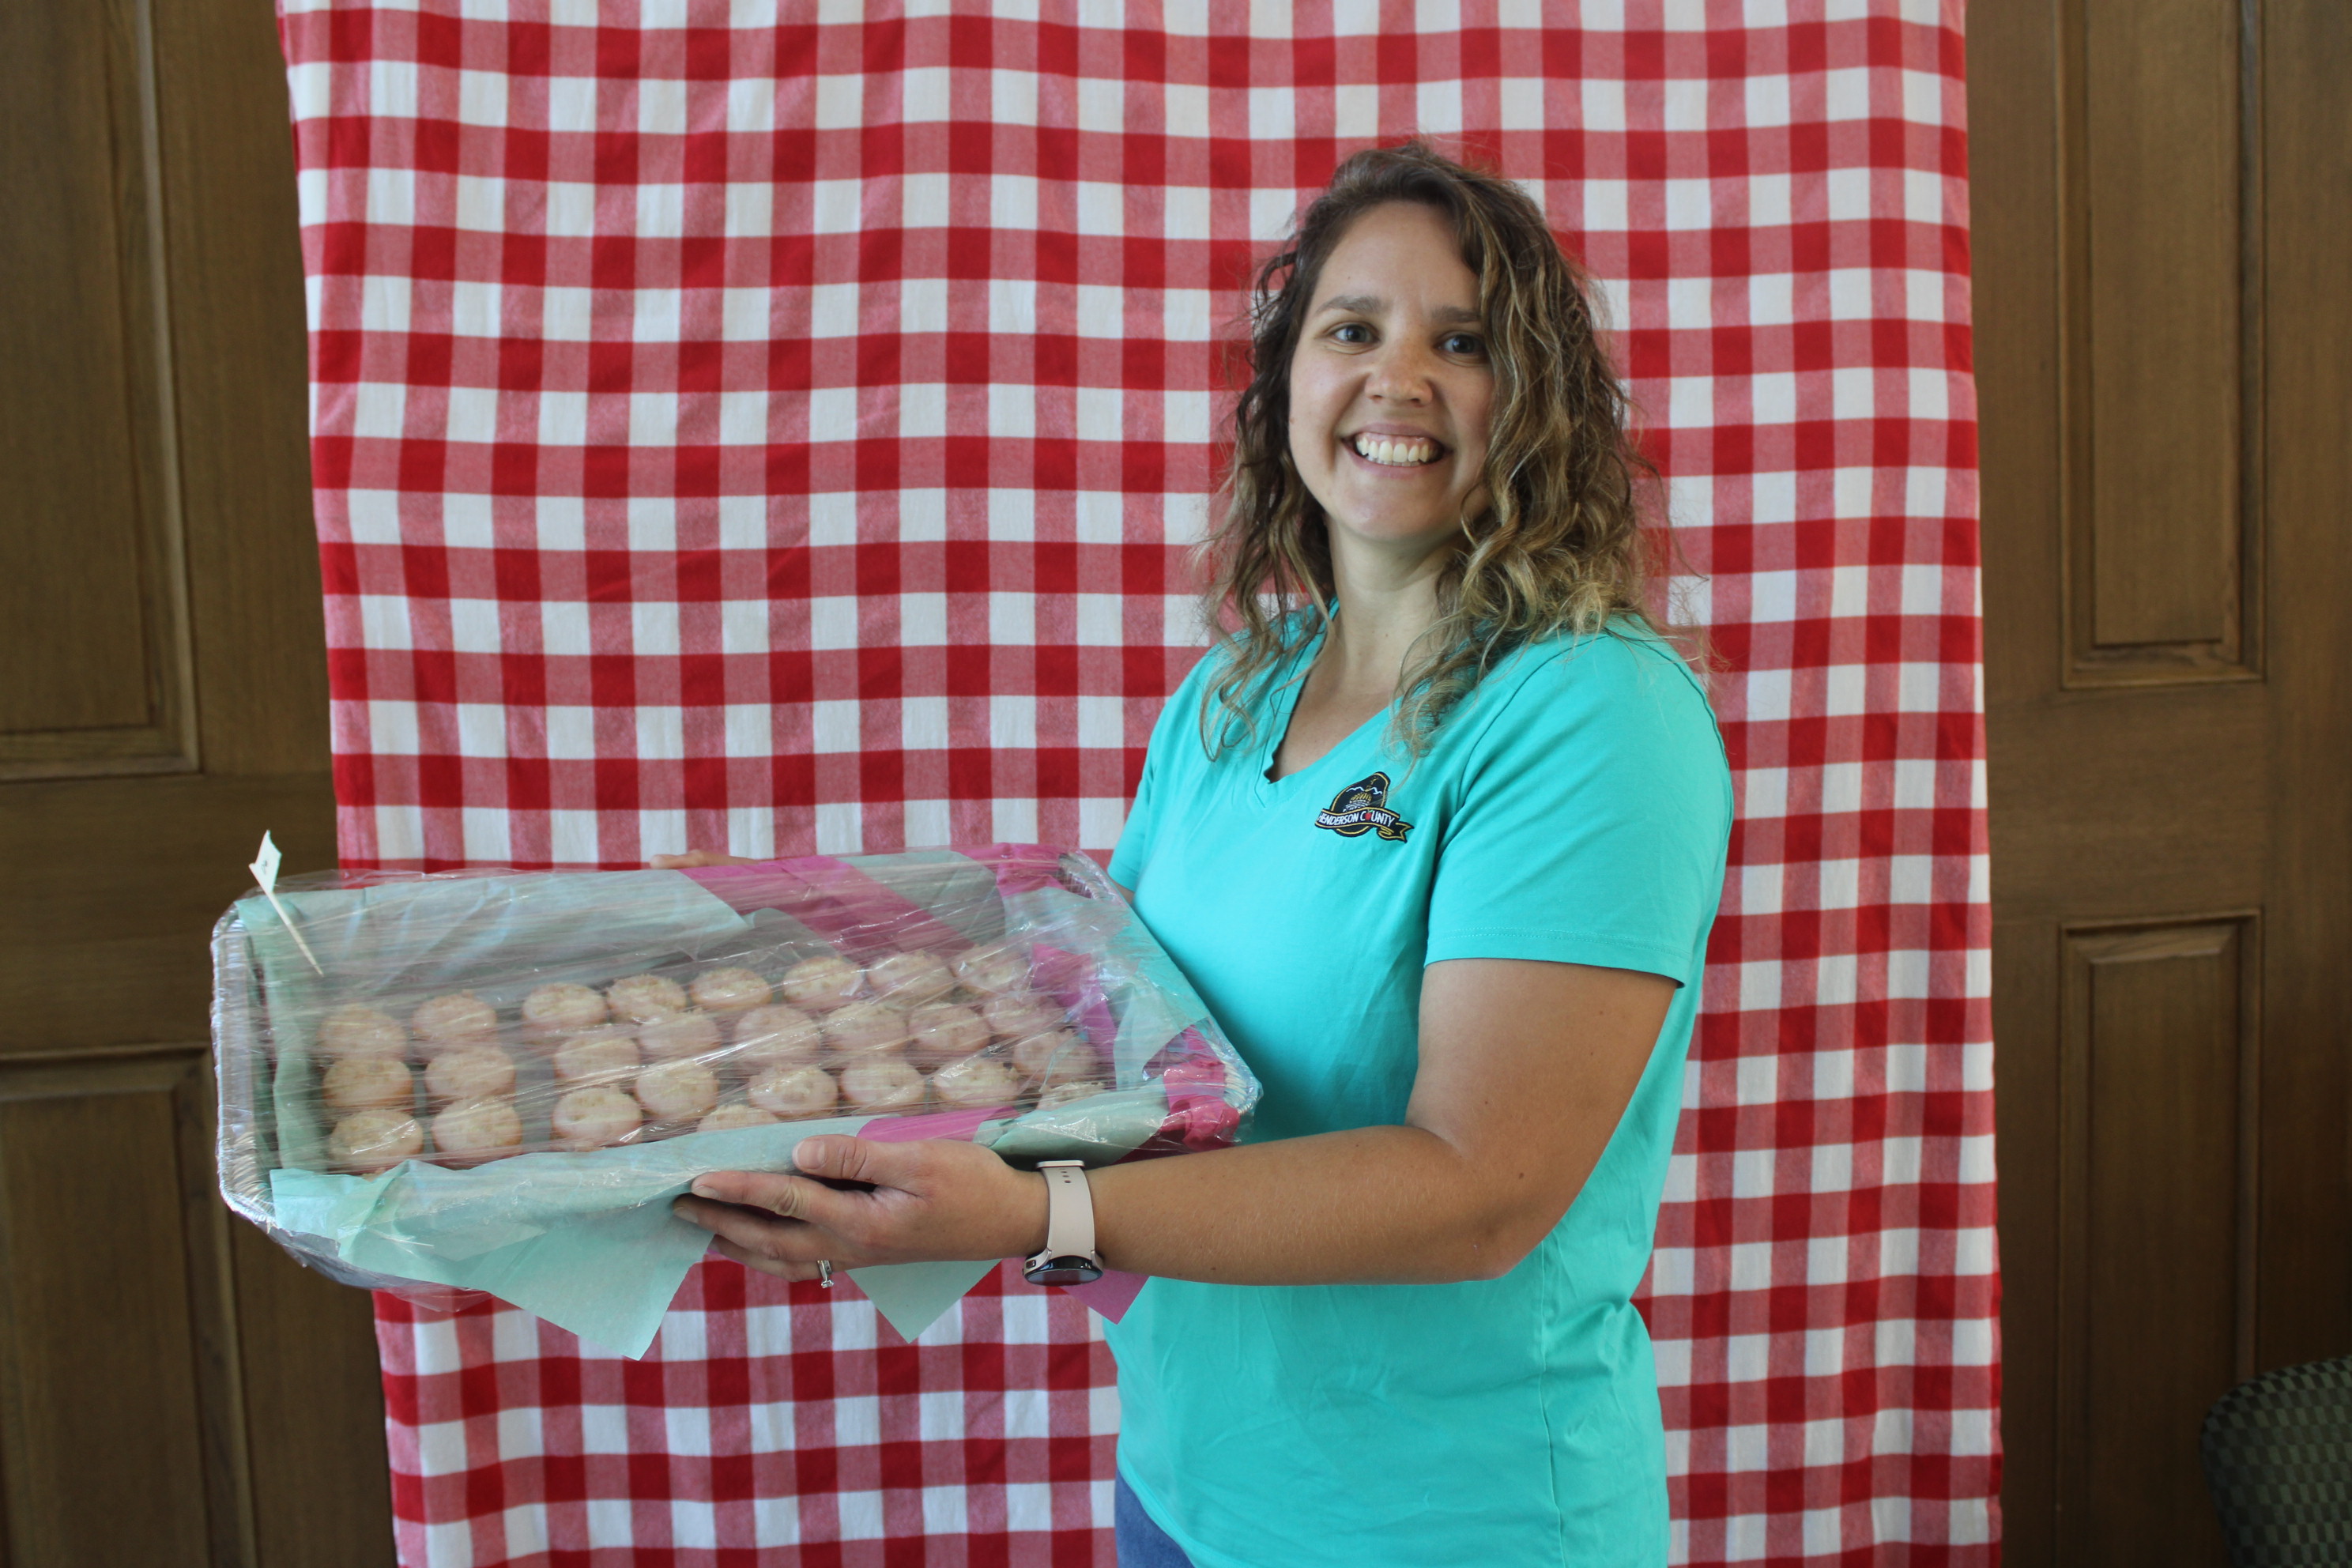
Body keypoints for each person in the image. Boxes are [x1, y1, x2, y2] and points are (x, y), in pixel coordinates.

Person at [662, 141, 1732, 1567]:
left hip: (1451, 1522)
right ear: (1287, 379)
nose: (1396, 379)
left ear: (1532, 403)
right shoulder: (1236, 693)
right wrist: (754, 1082)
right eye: (1351, 330)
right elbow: (1115, 1045)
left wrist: (1037, 1213)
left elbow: (1484, 1190)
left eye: (1460, 342)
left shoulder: (1592, 712)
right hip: (1186, 1488)